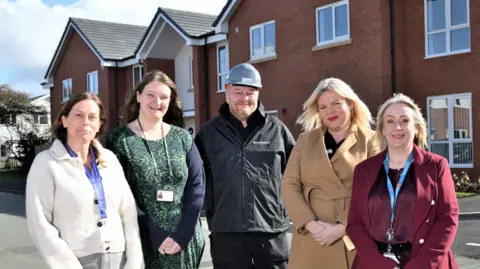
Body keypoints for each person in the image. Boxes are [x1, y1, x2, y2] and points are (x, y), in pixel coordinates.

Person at [26, 92, 144, 269]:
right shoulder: (46, 163)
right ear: (64, 121)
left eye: (92, 117)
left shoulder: (110, 159)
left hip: (119, 259)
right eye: (78, 115)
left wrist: (134, 262)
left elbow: (128, 213)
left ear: (99, 125)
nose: (85, 122)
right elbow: (39, 224)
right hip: (75, 261)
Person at [194, 63, 295, 269]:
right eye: (238, 92)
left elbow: (295, 175)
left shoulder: (277, 131)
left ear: (258, 93)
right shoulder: (209, 133)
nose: (244, 98)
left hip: (270, 230)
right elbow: (195, 178)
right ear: (227, 91)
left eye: (250, 92)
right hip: (226, 231)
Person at [106, 70, 205, 269]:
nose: (157, 101)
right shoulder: (119, 140)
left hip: (184, 241)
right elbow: (116, 194)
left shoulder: (182, 138)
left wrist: (182, 235)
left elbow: (196, 187)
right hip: (142, 241)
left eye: (163, 97)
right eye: (150, 95)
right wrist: (157, 234)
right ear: (138, 96)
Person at [346, 94, 459, 269]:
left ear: (416, 128)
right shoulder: (363, 170)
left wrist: (420, 265)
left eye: (405, 120)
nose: (397, 127)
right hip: (375, 264)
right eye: (390, 121)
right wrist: (379, 263)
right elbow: (355, 223)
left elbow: (447, 220)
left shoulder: (436, 166)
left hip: (425, 264)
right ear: (382, 128)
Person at [281, 78, 380, 269]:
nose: (330, 112)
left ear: (351, 104)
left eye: (336, 104)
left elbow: (377, 189)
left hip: (354, 237)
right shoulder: (305, 140)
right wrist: (311, 224)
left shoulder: (371, 140)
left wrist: (342, 228)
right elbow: (289, 184)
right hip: (311, 239)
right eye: (323, 107)